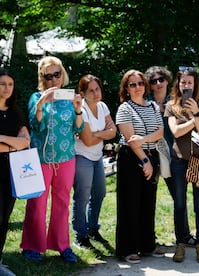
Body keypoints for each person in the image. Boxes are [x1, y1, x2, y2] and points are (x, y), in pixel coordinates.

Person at [21, 56, 84, 263]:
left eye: (57, 74)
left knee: (62, 202)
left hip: (66, 158)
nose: (53, 80)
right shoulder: (35, 97)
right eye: (48, 76)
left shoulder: (69, 97)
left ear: (62, 74)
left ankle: (62, 245)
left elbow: (79, 128)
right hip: (41, 158)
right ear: (42, 78)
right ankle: (32, 246)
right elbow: (35, 126)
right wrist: (40, 105)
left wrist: (78, 109)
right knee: (37, 203)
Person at [115, 69, 164, 263]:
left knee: (147, 203)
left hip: (152, 155)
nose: (137, 87)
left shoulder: (152, 106)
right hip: (131, 159)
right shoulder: (124, 109)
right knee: (130, 204)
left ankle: (147, 245)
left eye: (140, 83)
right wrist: (144, 161)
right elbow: (130, 140)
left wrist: (144, 139)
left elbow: (160, 131)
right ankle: (127, 249)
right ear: (126, 88)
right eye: (132, 84)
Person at [164, 66, 199, 263]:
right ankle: (181, 244)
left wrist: (197, 112)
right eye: (183, 82)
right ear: (178, 83)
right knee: (180, 204)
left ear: (195, 84)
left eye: (189, 82)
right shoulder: (171, 106)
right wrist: (196, 119)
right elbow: (175, 133)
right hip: (179, 160)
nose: (186, 85)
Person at [145, 66, 196, 247]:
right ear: (149, 85)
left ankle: (184, 236)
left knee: (178, 196)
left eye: (161, 79)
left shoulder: (176, 101)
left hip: (172, 155)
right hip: (150, 154)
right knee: (148, 197)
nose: (158, 84)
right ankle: (147, 238)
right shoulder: (145, 102)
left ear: (167, 80)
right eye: (153, 81)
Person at [72, 74, 116, 249]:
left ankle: (92, 229)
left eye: (97, 89)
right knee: (82, 197)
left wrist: (96, 134)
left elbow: (113, 131)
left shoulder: (102, 106)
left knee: (99, 193)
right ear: (82, 93)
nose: (96, 93)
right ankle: (80, 236)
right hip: (82, 157)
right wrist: (102, 134)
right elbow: (87, 141)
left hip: (98, 157)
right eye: (91, 90)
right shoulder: (81, 110)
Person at [0, 67, 30, 276]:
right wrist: (14, 143)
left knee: (4, 218)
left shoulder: (15, 112)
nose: (6, 88)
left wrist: (2, 139)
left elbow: (26, 142)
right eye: (2, 84)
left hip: (9, 172)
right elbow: (19, 142)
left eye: (10, 84)